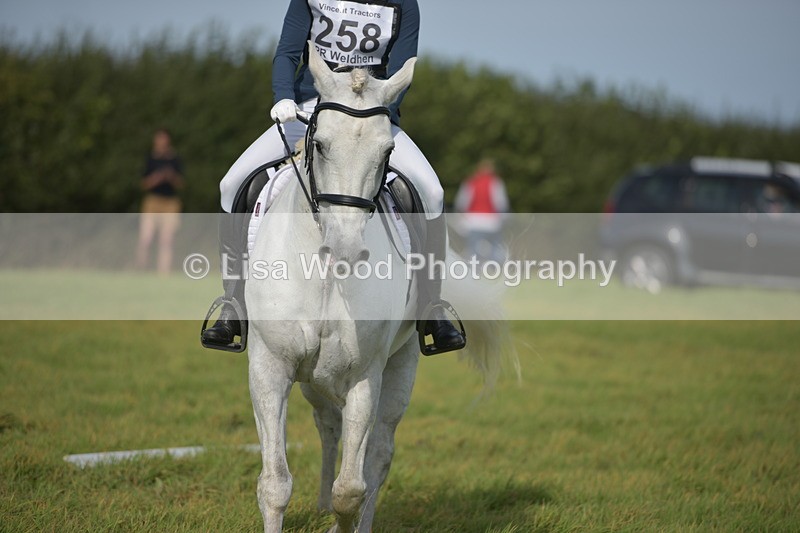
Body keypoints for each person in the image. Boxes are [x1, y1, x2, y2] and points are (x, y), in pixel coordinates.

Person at [201, 0, 466, 355]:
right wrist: (283, 96)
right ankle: (234, 304)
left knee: (431, 192)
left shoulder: (403, 3)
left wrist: (373, 108)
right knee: (232, 184)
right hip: (310, 110)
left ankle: (431, 308)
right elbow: (287, 53)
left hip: (371, 115)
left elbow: (401, 69)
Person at [135, 128, 183, 275]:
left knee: (166, 240)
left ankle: (164, 273)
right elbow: (143, 183)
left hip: (170, 203)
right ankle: (141, 269)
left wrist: (170, 176)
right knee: (146, 238)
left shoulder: (174, 160)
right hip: (152, 202)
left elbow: (181, 184)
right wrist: (156, 178)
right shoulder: (150, 160)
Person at [454, 159, 509, 263]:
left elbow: (462, 203)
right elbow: (501, 203)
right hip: (492, 223)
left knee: (473, 250)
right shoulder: (496, 182)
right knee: (494, 249)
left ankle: (474, 272)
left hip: (473, 222)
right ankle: (494, 271)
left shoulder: (471, 182)